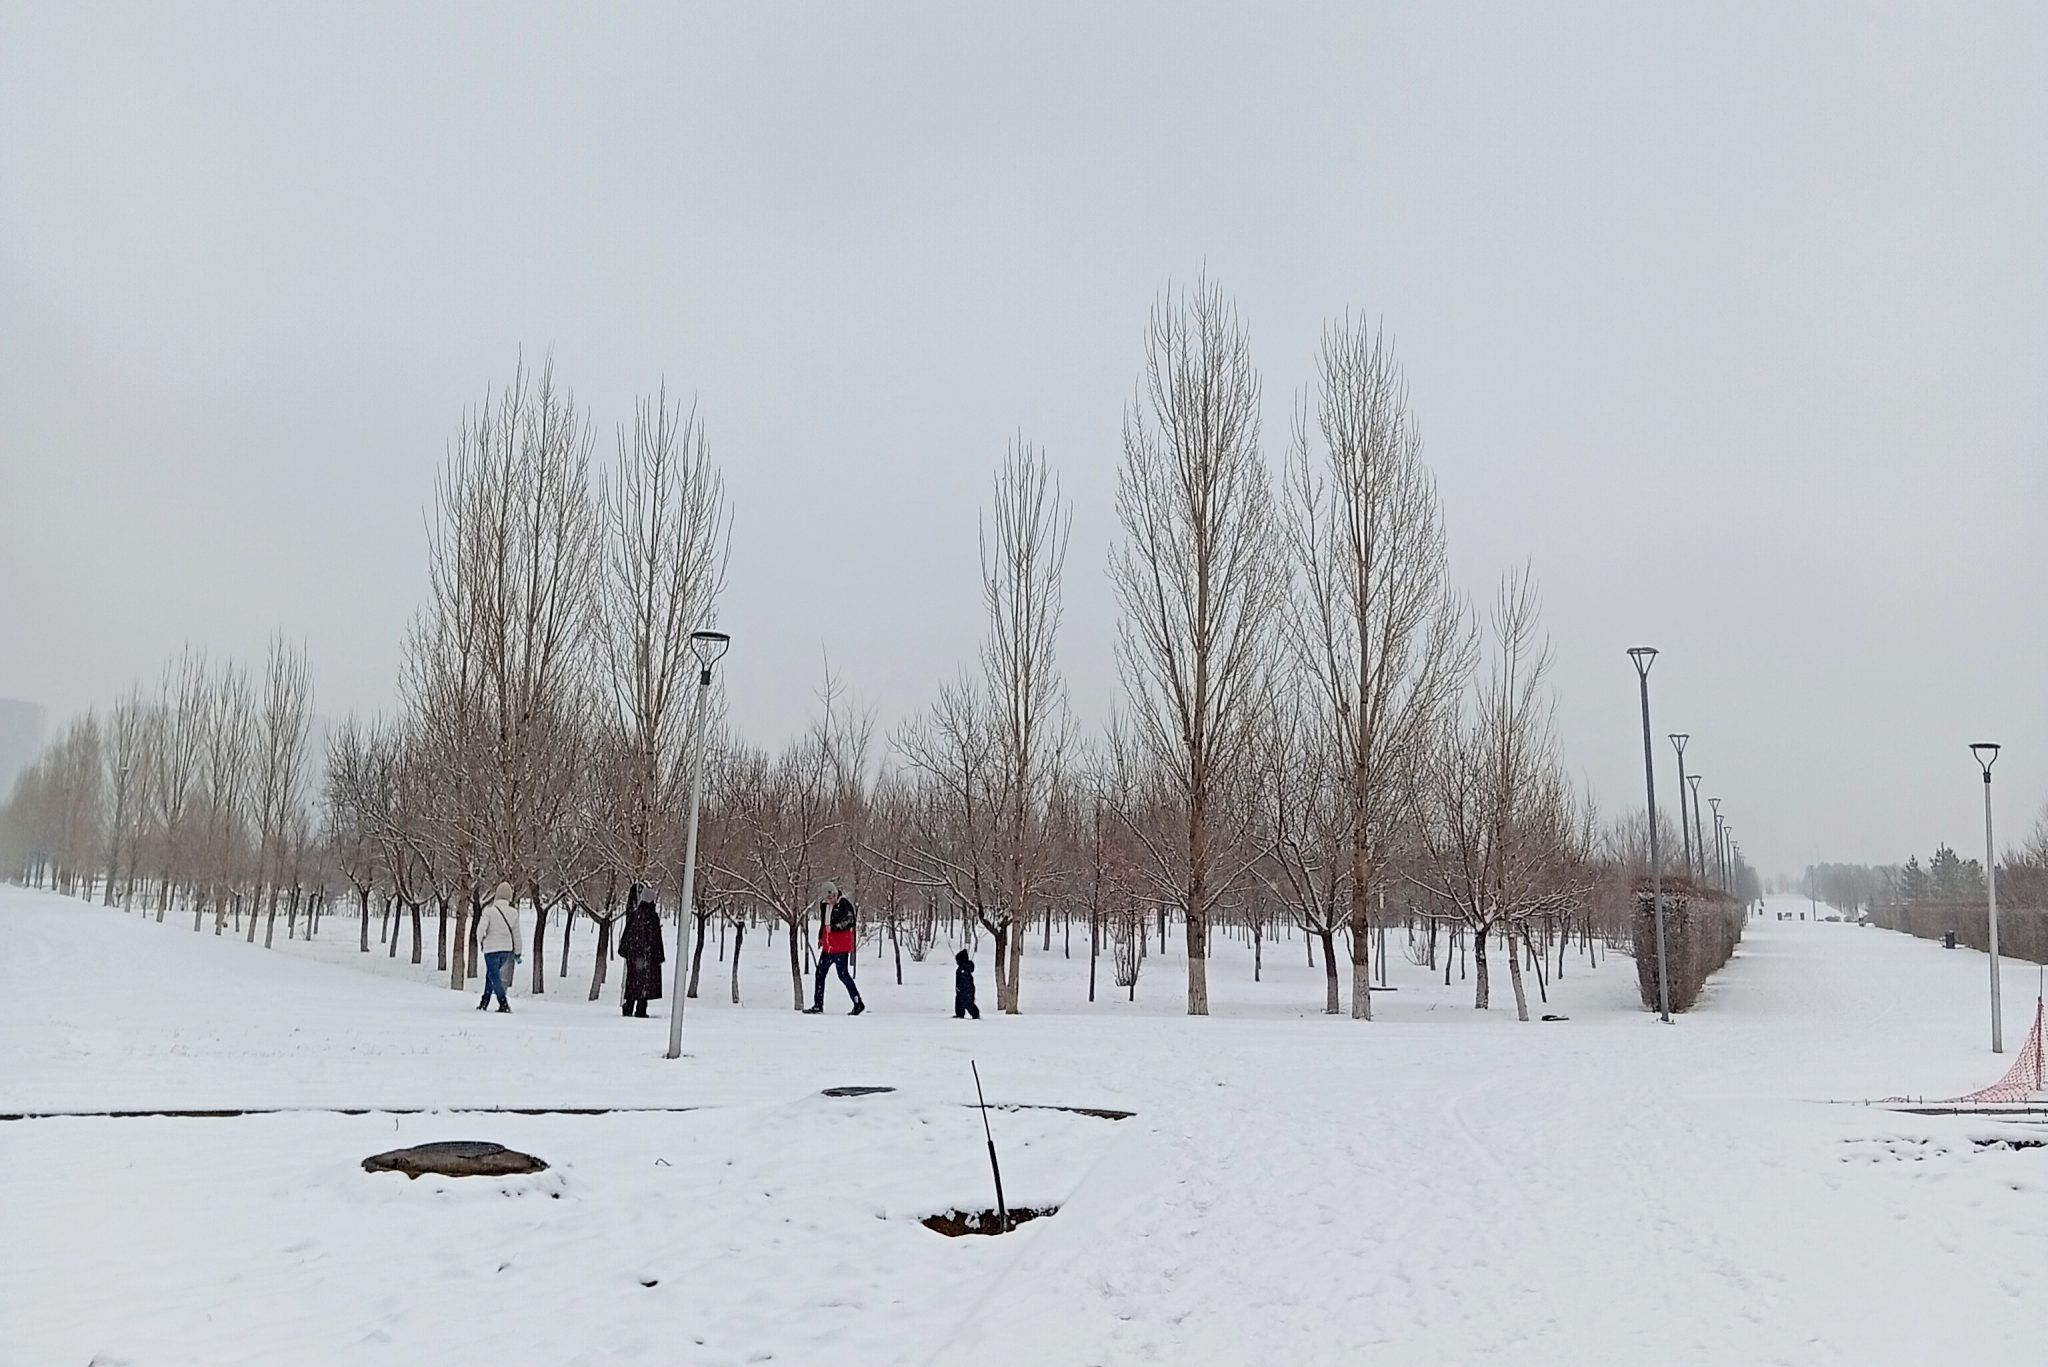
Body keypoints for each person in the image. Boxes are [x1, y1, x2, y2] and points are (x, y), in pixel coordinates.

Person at [804, 881, 864, 1015]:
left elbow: (851, 921)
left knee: (842, 974)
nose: (832, 899)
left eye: (833, 896)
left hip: (841, 945)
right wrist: (821, 937)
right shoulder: (824, 905)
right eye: (828, 898)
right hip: (828, 945)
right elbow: (824, 923)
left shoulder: (844, 904)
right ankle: (818, 1005)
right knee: (820, 973)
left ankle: (857, 1002)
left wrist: (836, 928)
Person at [617, 890, 665, 1019]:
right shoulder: (652, 917)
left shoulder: (635, 915)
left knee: (633, 981)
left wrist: (625, 950)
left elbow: (627, 933)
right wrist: (659, 956)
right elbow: (656, 938)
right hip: (648, 957)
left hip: (634, 956)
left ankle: (628, 1006)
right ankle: (641, 1009)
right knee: (645, 983)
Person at [477, 880, 522, 1013]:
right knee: (491, 975)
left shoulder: (489, 911)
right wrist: (518, 952)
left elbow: (480, 930)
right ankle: (484, 1001)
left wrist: (481, 941)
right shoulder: (513, 913)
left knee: (494, 975)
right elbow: (517, 935)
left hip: (491, 949)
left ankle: (503, 1003)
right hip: (506, 951)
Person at [953, 947, 980, 1020]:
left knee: (967, 1003)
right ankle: (959, 1014)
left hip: (966, 990)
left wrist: (961, 988)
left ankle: (975, 1014)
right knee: (959, 1002)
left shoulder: (963, 969)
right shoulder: (962, 968)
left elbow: (964, 981)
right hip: (961, 990)